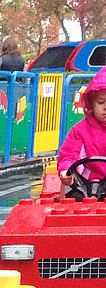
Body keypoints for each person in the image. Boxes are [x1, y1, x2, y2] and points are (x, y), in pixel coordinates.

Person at [58, 66, 106, 198]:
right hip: (86, 186)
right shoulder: (80, 130)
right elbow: (69, 155)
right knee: (73, 200)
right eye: (101, 102)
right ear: (91, 104)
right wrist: (66, 171)